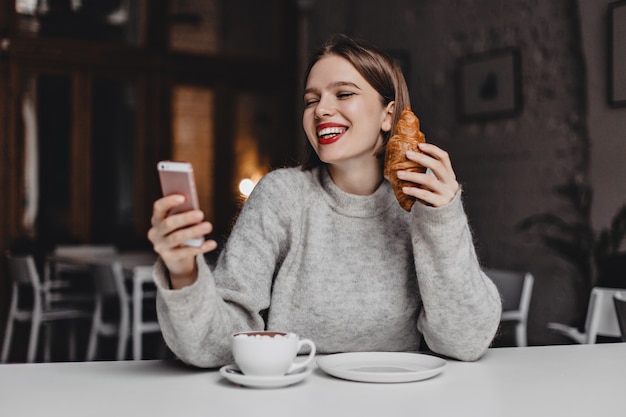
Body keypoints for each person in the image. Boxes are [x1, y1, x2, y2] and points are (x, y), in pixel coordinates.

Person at [148, 34, 502, 367]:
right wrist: (184, 274)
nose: (320, 110)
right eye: (311, 99)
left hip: (399, 399)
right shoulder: (282, 196)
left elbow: (465, 342)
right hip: (298, 397)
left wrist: (442, 218)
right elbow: (215, 344)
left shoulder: (421, 205)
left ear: (388, 116)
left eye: (343, 94)